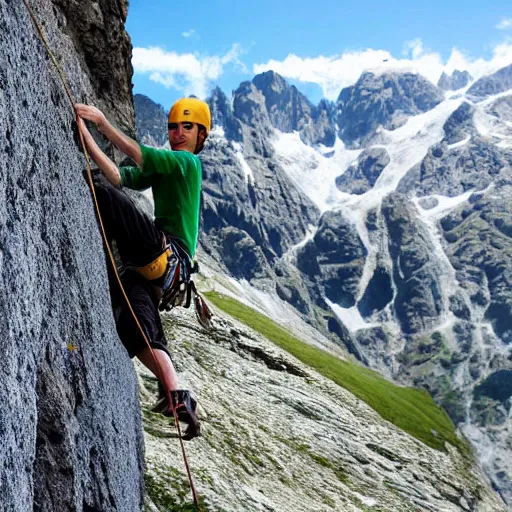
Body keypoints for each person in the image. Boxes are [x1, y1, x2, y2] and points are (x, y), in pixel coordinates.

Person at [75, 98, 211, 440]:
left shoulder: (188, 164)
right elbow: (120, 176)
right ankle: (178, 396)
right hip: (160, 272)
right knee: (137, 331)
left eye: (187, 127)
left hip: (165, 253)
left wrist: (102, 123)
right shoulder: (169, 166)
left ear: (201, 135)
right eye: (173, 127)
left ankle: (174, 395)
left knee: (104, 195)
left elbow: (141, 156)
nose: (178, 134)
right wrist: (86, 138)